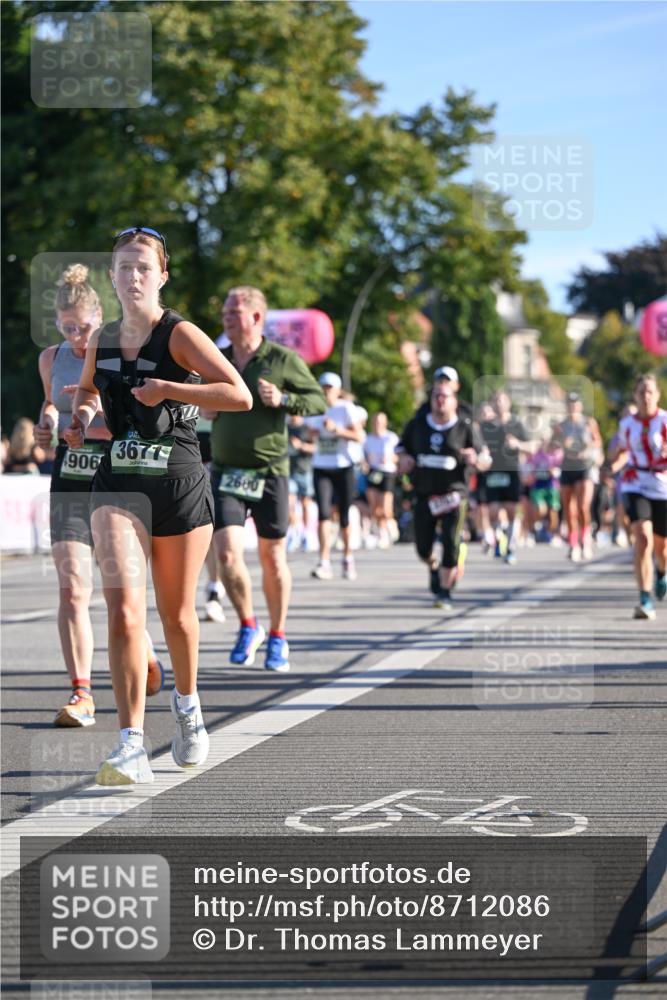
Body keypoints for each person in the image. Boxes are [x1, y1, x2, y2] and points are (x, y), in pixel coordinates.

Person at [66, 227, 252, 784]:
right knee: (124, 612)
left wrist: (172, 390)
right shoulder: (100, 337)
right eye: (123, 267)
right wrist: (80, 422)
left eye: (143, 267)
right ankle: (129, 743)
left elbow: (237, 395)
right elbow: (88, 393)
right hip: (118, 482)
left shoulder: (181, 335)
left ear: (161, 275)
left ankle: (189, 708)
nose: (132, 276)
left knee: (176, 617)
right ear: (112, 276)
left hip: (178, 484)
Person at [33, 264, 166, 727]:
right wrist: (48, 422)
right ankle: (82, 694)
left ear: (99, 317)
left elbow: (135, 426)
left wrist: (88, 427)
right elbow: (51, 403)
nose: (76, 336)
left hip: (116, 477)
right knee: (72, 588)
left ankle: (142, 643)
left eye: (83, 327)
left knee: (117, 595)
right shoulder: (51, 358)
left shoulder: (116, 352)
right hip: (69, 478)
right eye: (67, 327)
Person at [207, 286, 326, 673]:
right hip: (226, 470)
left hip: (270, 470)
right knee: (225, 554)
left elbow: (318, 401)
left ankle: (278, 635)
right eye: (225, 310)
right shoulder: (218, 359)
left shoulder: (281, 359)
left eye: (235, 311)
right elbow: (198, 400)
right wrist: (204, 407)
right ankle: (248, 624)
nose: (227, 317)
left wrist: (284, 401)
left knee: (272, 556)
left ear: (257, 317)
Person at [398, 376, 490, 609]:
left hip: (454, 495)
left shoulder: (465, 426)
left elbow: (485, 459)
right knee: (423, 548)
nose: (439, 400)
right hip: (424, 494)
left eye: (444, 396)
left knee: (451, 542)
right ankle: (433, 566)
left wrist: (476, 459)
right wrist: (404, 459)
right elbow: (400, 449)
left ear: (454, 401)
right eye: (435, 396)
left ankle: (445, 592)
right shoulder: (418, 424)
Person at [609, 374, 667, 620]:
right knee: (642, 537)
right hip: (635, 483)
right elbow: (622, 452)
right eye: (641, 392)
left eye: (650, 392)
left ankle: (662, 573)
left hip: (662, 485)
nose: (645, 396)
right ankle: (644, 599)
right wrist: (612, 466)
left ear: (658, 395)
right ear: (635, 395)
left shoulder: (665, 421)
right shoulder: (627, 425)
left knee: (662, 548)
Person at [308, 372, 366, 581]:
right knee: (323, 513)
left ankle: (347, 557)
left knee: (344, 515)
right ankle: (324, 561)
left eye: (330, 388)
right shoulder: (314, 408)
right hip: (321, 466)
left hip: (343, 467)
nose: (326, 391)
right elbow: (310, 434)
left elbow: (360, 436)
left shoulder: (346, 409)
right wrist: (313, 434)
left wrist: (337, 430)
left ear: (338, 390)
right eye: (323, 387)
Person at [478, 390, 532, 565]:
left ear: (508, 403)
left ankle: (509, 547)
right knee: (493, 511)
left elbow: (532, 446)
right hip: (493, 471)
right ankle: (497, 539)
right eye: (495, 400)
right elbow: (480, 446)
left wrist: (518, 444)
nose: (499, 403)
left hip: (511, 470)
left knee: (510, 510)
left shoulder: (517, 424)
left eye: (502, 400)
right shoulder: (487, 426)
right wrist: (483, 454)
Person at [552, 391, 602, 562]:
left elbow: (598, 441)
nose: (572, 407)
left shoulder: (588, 422)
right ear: (566, 406)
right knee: (569, 509)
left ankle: (585, 539)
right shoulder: (561, 425)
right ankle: (573, 544)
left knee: (583, 507)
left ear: (580, 406)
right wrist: (560, 443)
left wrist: (589, 447)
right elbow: (550, 445)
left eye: (575, 404)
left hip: (584, 467)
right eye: (569, 404)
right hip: (567, 467)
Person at [363, 412, 399, 548]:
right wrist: (365, 463)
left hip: (387, 472)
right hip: (373, 472)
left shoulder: (391, 438)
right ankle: (382, 533)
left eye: (380, 422)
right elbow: (364, 457)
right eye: (376, 422)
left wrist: (390, 458)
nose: (378, 425)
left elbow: (398, 456)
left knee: (385, 508)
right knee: (374, 507)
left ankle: (391, 524)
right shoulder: (368, 439)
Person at [287, 415, 317, 552]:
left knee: (305, 503)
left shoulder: (307, 429)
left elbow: (316, 447)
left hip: (304, 470)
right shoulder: (284, 428)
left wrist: (301, 446)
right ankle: (294, 531)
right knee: (289, 504)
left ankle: (306, 533)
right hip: (288, 470)